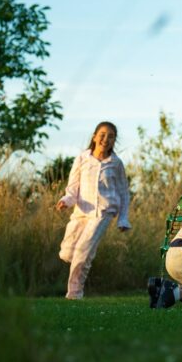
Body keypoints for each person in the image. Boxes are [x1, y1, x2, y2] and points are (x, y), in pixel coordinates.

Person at [55, 121, 131, 299]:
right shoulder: (82, 158)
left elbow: (123, 193)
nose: (106, 139)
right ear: (95, 136)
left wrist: (123, 219)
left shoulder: (116, 163)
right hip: (81, 212)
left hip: (103, 213)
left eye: (111, 136)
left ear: (114, 141)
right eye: (103, 134)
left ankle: (74, 293)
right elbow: (72, 188)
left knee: (83, 251)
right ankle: (80, 264)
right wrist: (65, 201)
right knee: (67, 253)